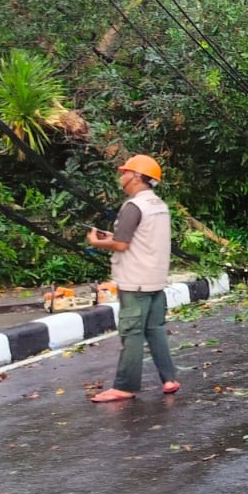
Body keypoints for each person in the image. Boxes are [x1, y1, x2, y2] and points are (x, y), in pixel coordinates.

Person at [87, 155, 180, 403]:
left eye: (125, 173)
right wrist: (113, 235)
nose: (121, 178)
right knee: (156, 330)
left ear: (137, 177)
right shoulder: (159, 205)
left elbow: (121, 243)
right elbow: (141, 237)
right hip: (156, 280)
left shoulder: (134, 206)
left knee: (131, 333)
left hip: (135, 281)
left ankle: (125, 386)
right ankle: (169, 378)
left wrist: (97, 242)